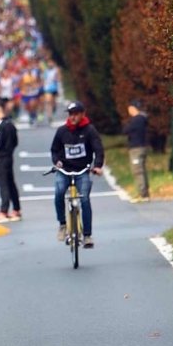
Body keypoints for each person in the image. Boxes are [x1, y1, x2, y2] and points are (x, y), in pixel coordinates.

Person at [50, 101, 104, 248]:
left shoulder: (90, 130)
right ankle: (62, 224)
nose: (73, 117)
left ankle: (87, 235)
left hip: (82, 171)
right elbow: (54, 149)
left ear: (82, 114)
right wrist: (57, 162)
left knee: (85, 199)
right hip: (65, 170)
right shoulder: (62, 131)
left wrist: (97, 166)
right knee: (59, 192)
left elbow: (98, 149)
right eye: (70, 114)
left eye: (76, 114)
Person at [0, 101, 21, 223]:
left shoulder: (0, 124)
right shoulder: (10, 124)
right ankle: (16, 209)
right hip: (9, 156)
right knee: (11, 182)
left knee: (3, 184)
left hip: (1, 158)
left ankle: (4, 210)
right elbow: (15, 141)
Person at [124, 100, 149, 202]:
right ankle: (145, 192)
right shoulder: (143, 119)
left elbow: (126, 130)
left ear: (133, 108)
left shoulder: (136, 120)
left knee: (138, 171)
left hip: (136, 148)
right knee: (142, 170)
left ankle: (142, 194)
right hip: (143, 147)